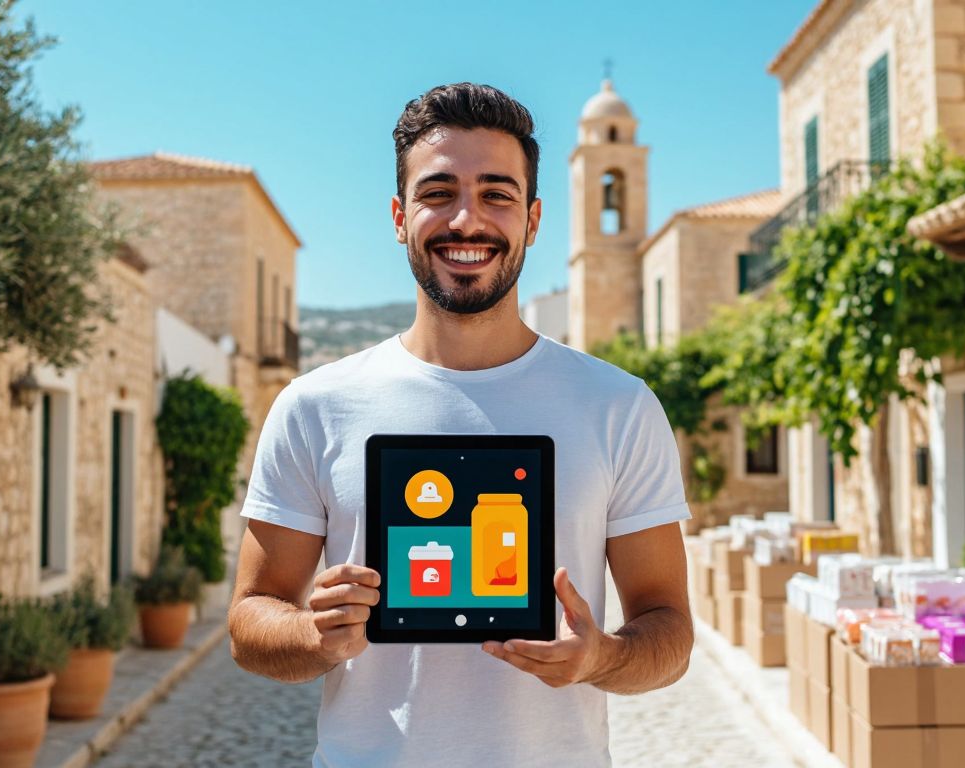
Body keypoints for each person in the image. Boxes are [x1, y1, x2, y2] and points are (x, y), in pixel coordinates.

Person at [228, 82, 693, 767]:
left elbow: (670, 632)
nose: (467, 220)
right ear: (399, 215)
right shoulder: (314, 405)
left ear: (533, 220)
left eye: (497, 194)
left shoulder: (617, 406)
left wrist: (602, 656)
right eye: (438, 192)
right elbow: (249, 621)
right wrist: (313, 636)